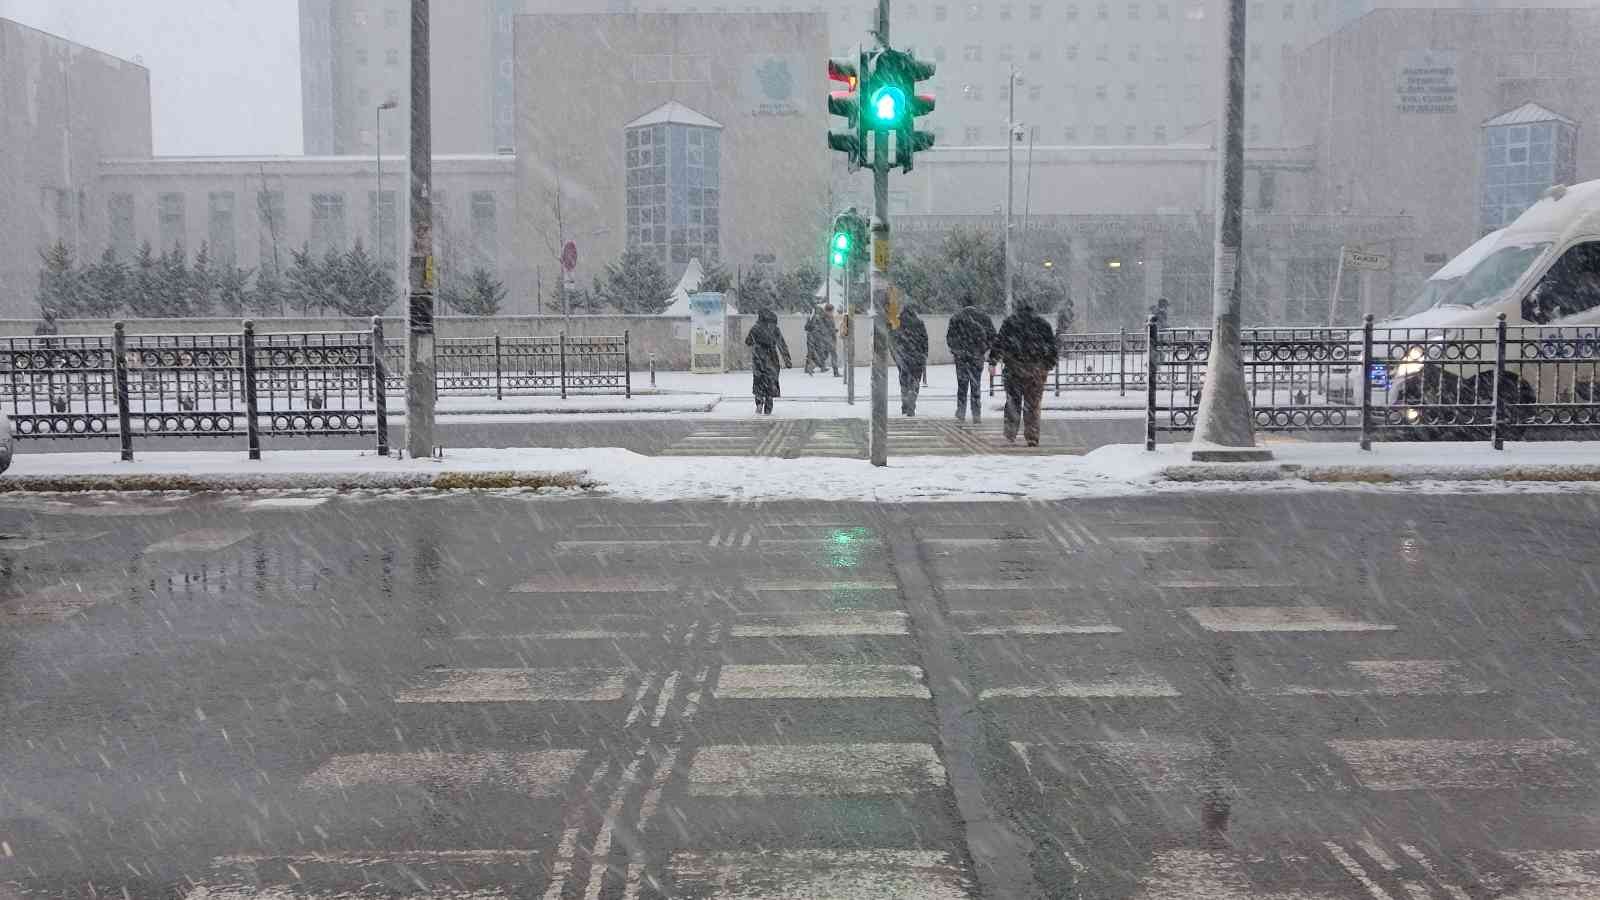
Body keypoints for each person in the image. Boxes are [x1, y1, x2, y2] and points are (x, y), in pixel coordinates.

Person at [990, 301, 1058, 446]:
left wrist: (993, 360)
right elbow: (1052, 348)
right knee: (1032, 405)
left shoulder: (1010, 323)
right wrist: (1048, 365)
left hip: (1014, 369)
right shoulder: (1042, 324)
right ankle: (1032, 436)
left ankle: (1010, 434)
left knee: (1013, 402)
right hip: (1035, 371)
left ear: (1018, 309)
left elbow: (999, 343)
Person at [946, 298, 996, 423]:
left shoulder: (956, 318)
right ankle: (976, 413)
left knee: (962, 385)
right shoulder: (983, 318)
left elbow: (949, 338)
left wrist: (956, 350)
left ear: (962, 304)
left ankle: (961, 411)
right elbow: (993, 336)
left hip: (961, 357)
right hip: (976, 356)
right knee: (976, 385)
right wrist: (983, 349)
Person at [745, 309, 792, 415]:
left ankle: (759, 402)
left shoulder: (755, 328)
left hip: (758, 357)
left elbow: (748, 342)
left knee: (758, 380)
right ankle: (768, 407)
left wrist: (755, 341)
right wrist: (787, 359)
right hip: (771, 357)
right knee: (770, 381)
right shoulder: (774, 328)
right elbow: (782, 344)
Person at [892, 305, 929, 416]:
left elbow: (894, 341)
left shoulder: (898, 323)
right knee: (915, 381)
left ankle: (905, 404)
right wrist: (924, 355)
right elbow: (924, 341)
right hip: (917, 357)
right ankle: (911, 404)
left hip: (902, 357)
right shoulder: (919, 323)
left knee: (904, 381)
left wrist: (896, 356)